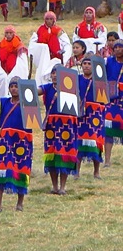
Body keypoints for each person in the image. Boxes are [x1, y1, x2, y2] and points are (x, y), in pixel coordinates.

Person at [0, 77, 32, 212]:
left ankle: (20, 203)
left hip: (23, 142)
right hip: (6, 141)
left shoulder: (28, 103)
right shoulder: (2, 102)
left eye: (16, 86)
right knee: (2, 170)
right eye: (12, 86)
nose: (14, 88)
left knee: (22, 169)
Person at [41, 65, 78, 195]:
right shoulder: (47, 88)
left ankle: (63, 186)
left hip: (66, 126)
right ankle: (54, 186)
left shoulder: (70, 89)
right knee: (52, 154)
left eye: (58, 73)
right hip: (51, 125)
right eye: (53, 73)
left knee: (64, 154)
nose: (55, 75)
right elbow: (35, 91)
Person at [76, 58, 103, 179]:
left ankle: (96, 171)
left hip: (95, 115)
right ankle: (76, 171)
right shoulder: (76, 79)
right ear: (81, 66)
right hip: (80, 114)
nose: (87, 66)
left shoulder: (100, 80)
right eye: (84, 64)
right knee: (78, 141)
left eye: (89, 64)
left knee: (96, 142)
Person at [29, 11, 72, 84]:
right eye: (47, 19)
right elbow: (33, 44)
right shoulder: (40, 30)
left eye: (51, 19)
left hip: (56, 58)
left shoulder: (58, 31)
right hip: (43, 58)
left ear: (54, 20)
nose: (49, 21)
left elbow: (66, 44)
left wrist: (64, 57)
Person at [0, 26, 29, 98]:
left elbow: (22, 65)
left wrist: (11, 75)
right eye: (7, 33)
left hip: (15, 71)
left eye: (10, 33)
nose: (9, 35)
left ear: (14, 34)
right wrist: (3, 75)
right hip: (4, 72)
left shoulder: (19, 47)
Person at [104, 40, 123, 166]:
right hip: (111, 100)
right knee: (108, 130)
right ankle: (107, 161)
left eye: (120, 47)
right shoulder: (108, 61)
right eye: (115, 47)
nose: (117, 49)